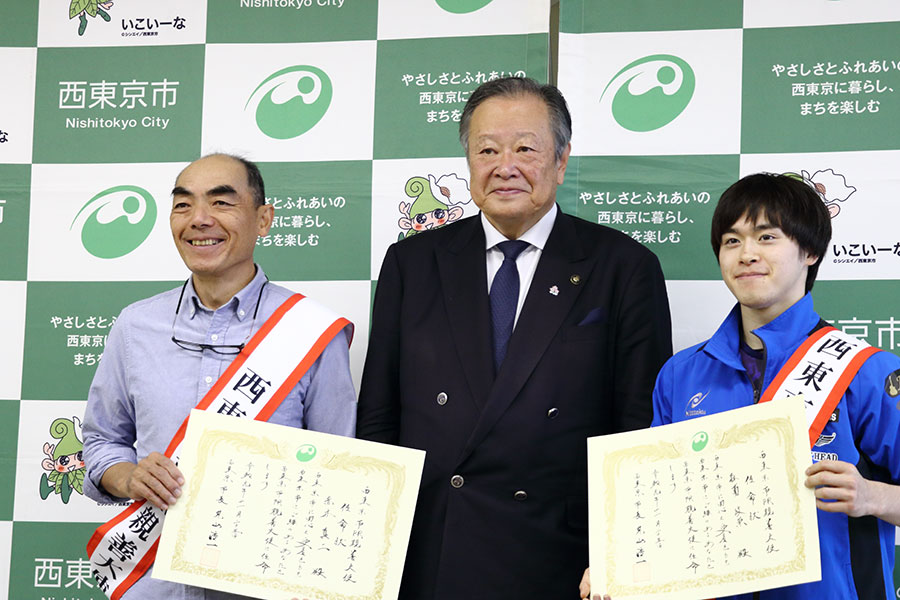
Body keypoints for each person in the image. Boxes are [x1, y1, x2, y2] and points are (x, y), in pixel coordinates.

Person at [357, 77, 672, 600]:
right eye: (487, 150)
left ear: (561, 160)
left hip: (563, 556)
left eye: (525, 149)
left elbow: (638, 428)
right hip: (435, 547)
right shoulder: (413, 263)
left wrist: (620, 552)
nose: (505, 166)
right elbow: (378, 417)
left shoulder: (623, 266)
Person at [585, 173, 900, 600]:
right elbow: (659, 506)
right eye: (731, 241)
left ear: (810, 251)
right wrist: (615, 566)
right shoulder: (681, 374)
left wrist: (872, 497)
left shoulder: (868, 371)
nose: (747, 254)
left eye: (767, 237)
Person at [82, 153, 357, 599]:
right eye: (183, 204)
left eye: (221, 202)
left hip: (264, 585)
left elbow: (339, 472)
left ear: (263, 219)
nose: (199, 219)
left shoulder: (312, 332)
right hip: (154, 585)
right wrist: (129, 477)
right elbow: (100, 441)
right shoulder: (135, 326)